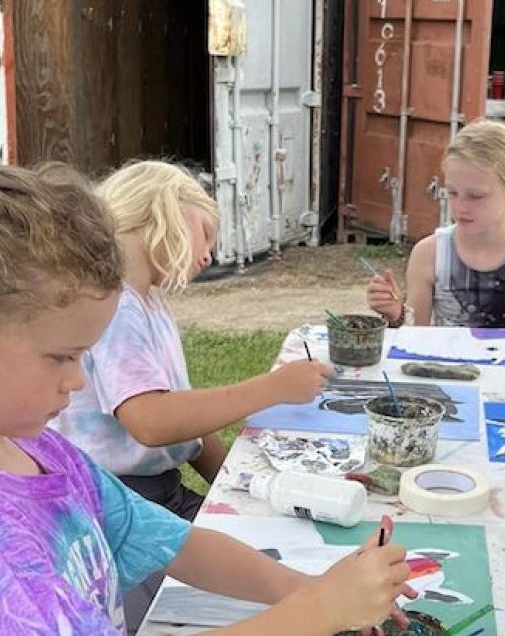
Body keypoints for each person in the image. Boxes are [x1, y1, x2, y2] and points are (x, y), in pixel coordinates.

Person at [0, 164, 414, 636]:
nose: (80, 381)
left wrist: (311, 587)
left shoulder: (36, 449)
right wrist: (321, 608)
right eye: (60, 357)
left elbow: (176, 545)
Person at [51, 160, 334, 520]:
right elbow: (151, 422)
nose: (208, 255)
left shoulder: (147, 302)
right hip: (114, 508)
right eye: (206, 231)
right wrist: (273, 388)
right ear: (166, 208)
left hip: (149, 495)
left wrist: (232, 486)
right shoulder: (117, 307)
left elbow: (184, 421)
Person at [366, 120, 505, 330]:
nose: (460, 207)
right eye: (452, 192)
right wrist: (396, 314)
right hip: (443, 363)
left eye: (475, 196)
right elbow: (415, 335)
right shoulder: (429, 252)